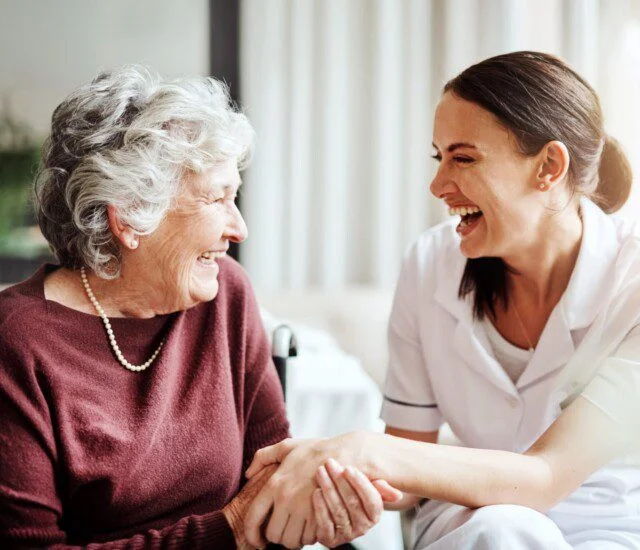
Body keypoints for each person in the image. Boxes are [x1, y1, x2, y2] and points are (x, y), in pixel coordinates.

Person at [243, 51, 640, 549]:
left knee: (511, 527)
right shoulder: (430, 265)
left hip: (606, 532)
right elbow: (407, 465)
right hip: (470, 528)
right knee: (500, 528)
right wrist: (334, 482)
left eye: (464, 158)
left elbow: (546, 476)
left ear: (549, 167)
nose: (438, 186)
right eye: (439, 157)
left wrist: (367, 451)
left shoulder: (632, 286)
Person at [0, 66, 395, 549]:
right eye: (217, 199)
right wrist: (227, 530)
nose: (239, 228)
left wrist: (314, 504)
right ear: (128, 219)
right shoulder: (16, 343)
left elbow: (268, 474)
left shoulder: (224, 293)